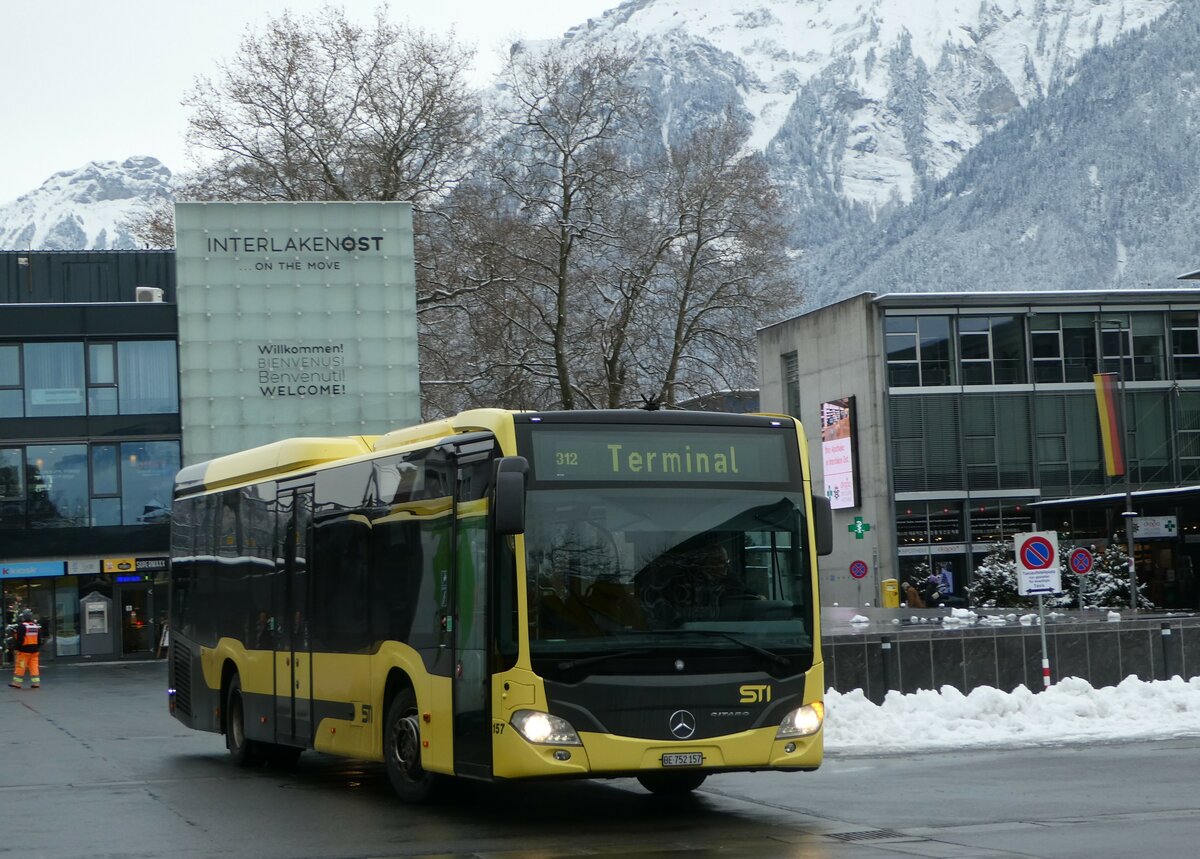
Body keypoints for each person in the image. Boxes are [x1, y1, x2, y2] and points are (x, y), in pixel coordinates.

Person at [9, 609, 41, 689]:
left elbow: (20, 639)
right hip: (34, 651)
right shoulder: (35, 626)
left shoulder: (22, 627)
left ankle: (17, 683)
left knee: (21, 666)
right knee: (34, 666)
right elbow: (39, 639)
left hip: (24, 651)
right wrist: (37, 647)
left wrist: (16, 648)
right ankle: (36, 683)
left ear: (23, 617)